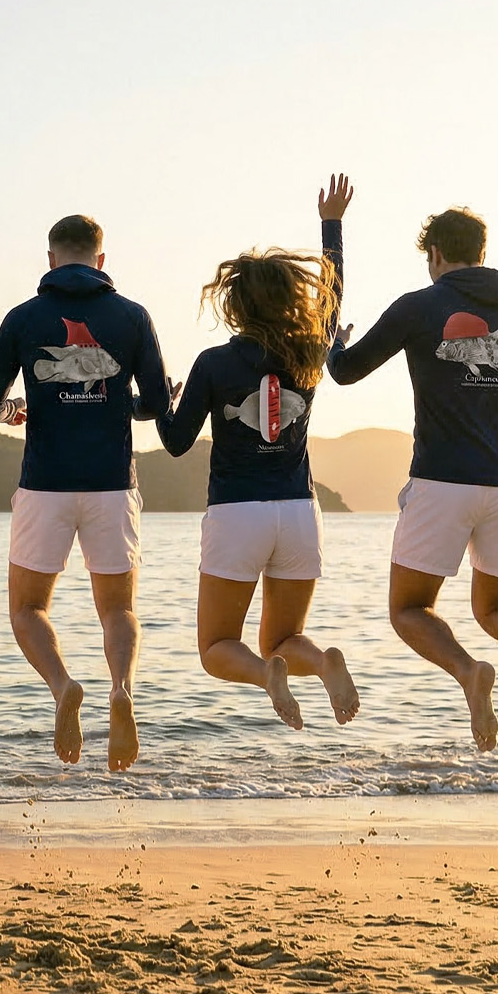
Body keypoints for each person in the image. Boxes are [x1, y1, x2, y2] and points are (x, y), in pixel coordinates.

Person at [328, 205, 498, 750]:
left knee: (409, 609)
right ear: (483, 254)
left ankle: (469, 673)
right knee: (497, 607)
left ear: (436, 254)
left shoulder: (420, 306)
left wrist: (335, 337)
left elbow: (346, 372)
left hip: (441, 481)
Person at [157, 176, 358, 730]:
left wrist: (162, 403)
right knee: (287, 637)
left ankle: (265, 674)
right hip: (298, 512)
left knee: (218, 645)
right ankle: (317, 662)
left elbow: (175, 444)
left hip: (237, 513)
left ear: (235, 304)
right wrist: (332, 225)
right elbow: (333, 298)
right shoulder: (311, 354)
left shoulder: (213, 363)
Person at [0, 214, 170, 770]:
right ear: (101, 261)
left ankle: (63, 687)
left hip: (45, 483)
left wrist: (18, 409)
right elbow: (156, 405)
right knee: (118, 609)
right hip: (112, 483)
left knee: (28, 608)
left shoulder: (22, 318)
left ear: (51, 259)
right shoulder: (133, 316)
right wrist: (119, 405)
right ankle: (122, 690)